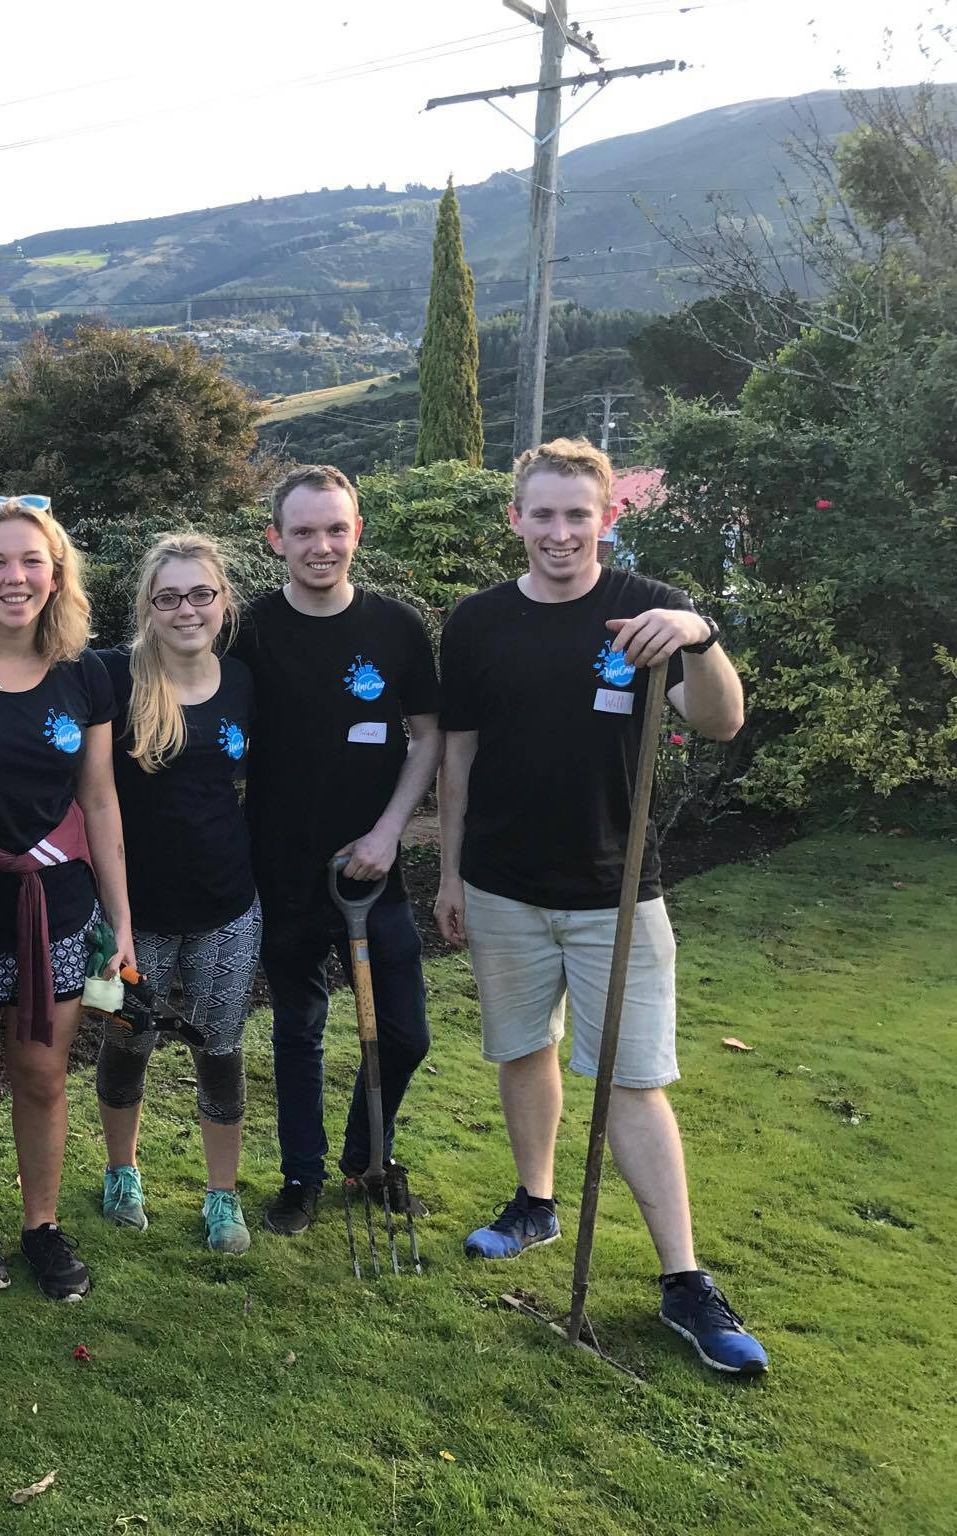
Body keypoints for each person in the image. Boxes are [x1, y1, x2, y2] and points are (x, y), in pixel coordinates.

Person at [434, 437, 768, 1375]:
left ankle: (684, 1283)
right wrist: (452, 874)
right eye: (541, 513)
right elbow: (457, 756)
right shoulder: (477, 623)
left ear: (606, 519)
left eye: (577, 514)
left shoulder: (649, 610)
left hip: (617, 890)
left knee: (630, 1079)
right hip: (501, 885)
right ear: (516, 519)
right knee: (521, 1049)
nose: (558, 532)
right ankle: (535, 1203)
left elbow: (721, 720)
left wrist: (701, 639)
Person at [0, 495, 134, 1303]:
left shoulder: (88, 673)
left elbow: (102, 801)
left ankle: (41, 1225)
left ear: (56, 575)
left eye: (31, 562)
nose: (15, 577)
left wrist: (122, 923)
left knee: (44, 1074)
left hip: (57, 909)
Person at [239, 465, 440, 1238]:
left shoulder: (395, 628)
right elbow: (164, 665)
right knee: (299, 1028)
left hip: (373, 875)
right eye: (303, 531)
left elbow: (426, 738)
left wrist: (390, 829)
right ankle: (302, 1177)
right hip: (282, 871)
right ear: (276, 540)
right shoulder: (248, 630)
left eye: (335, 529)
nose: (320, 546)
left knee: (406, 1032)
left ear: (358, 532)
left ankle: (369, 1156)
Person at [92, 534, 261, 1254]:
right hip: (137, 914)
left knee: (220, 1050)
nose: (186, 608)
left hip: (227, 905)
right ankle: (121, 1171)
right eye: (169, 596)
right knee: (129, 1042)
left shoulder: (246, 681)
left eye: (201, 594)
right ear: (147, 608)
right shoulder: (112, 677)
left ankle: (223, 1197)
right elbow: (19, 656)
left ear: (223, 602)